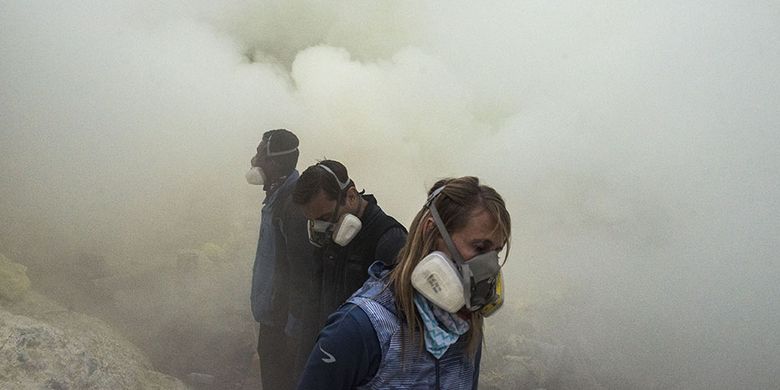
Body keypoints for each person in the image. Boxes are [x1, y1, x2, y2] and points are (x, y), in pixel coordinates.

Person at [297, 176, 511, 389]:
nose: (489, 267)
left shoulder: (466, 327)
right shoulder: (359, 328)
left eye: (496, 252)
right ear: (431, 231)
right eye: (480, 248)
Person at [292, 160, 408, 328]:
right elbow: (314, 300)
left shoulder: (391, 240)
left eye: (324, 218)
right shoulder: (328, 236)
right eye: (313, 221)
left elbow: (395, 321)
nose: (320, 227)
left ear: (351, 197)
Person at [247, 129, 318, 389]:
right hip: (273, 320)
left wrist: (294, 331)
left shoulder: (293, 206)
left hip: (283, 327)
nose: (254, 161)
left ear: (275, 163)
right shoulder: (277, 197)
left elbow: (301, 273)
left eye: (259, 154)